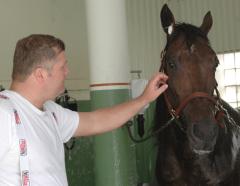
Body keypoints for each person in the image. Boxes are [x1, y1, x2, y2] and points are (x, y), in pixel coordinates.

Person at [0, 34, 168, 186]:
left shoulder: (51, 112)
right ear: (41, 75)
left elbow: (96, 121)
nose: (68, 72)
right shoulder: (4, 113)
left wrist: (144, 99)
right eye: (62, 67)